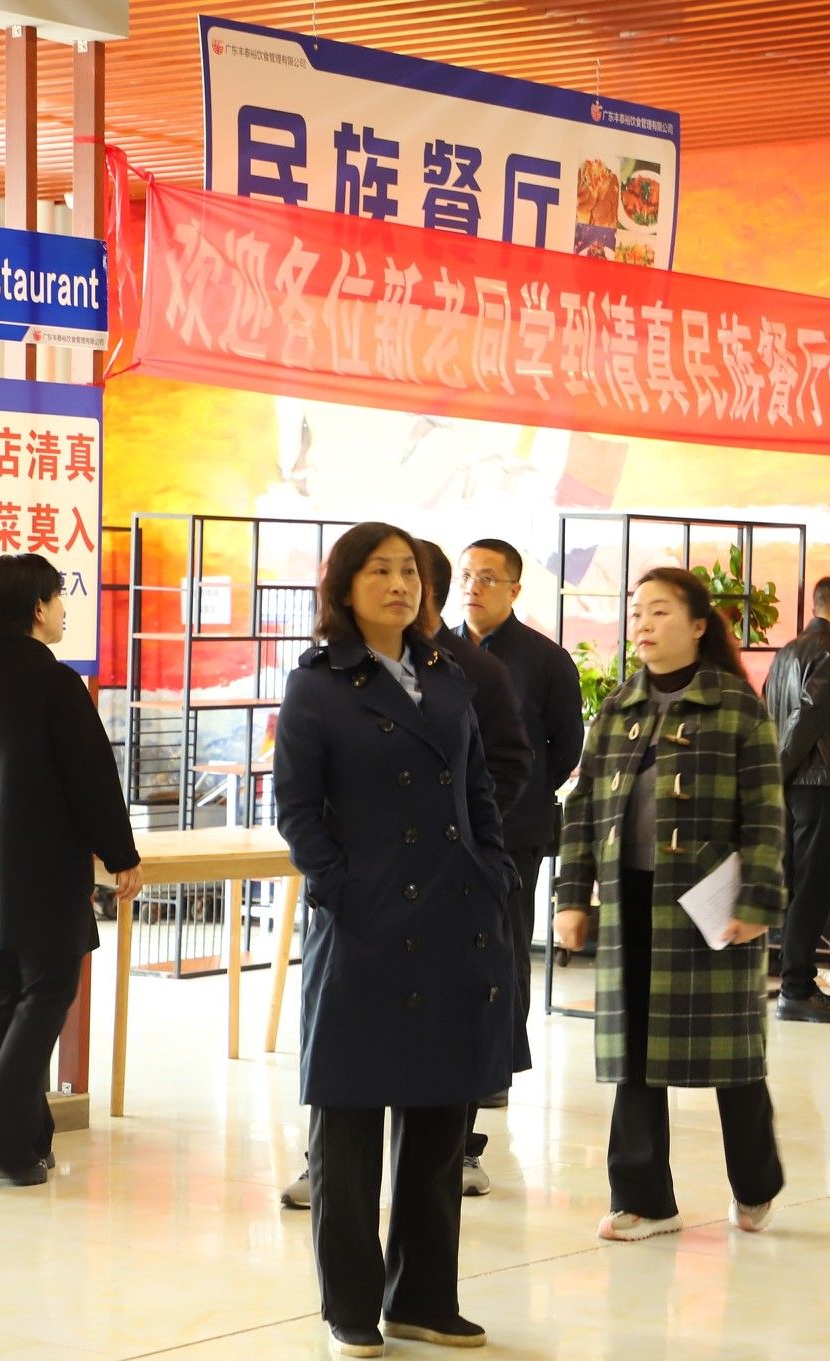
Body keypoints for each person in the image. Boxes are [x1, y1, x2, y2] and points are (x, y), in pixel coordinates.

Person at [273, 523, 529, 1358]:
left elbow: (479, 786)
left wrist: (493, 868)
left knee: (440, 1121)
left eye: (409, 571)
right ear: (344, 587)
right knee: (347, 1124)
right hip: (365, 922)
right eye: (379, 570)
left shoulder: (447, 675)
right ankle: (351, 1305)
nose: (399, 584)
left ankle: (423, 1298)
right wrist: (341, 888)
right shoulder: (316, 685)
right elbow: (296, 808)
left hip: (454, 915)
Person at [554, 567, 786, 1242]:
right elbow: (582, 810)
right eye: (637, 613)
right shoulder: (619, 708)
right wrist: (572, 897)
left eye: (659, 611)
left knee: (731, 1057)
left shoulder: (738, 707)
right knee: (633, 1052)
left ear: (698, 625)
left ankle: (756, 1183)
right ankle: (645, 1199)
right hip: (630, 901)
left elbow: (767, 814)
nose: (644, 624)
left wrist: (758, 899)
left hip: (710, 907)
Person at [0, 554, 142, 1186]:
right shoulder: (56, 685)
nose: (63, 610)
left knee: (8, 997)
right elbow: (92, 780)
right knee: (48, 993)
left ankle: (26, 1144)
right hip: (39, 878)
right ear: (37, 609)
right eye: (58, 598)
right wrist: (121, 855)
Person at [456, 538, 583, 1030]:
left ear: (514, 590)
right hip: (446, 827)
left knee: (505, 944)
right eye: (466, 576)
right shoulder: (435, 653)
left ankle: (502, 1056)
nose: (473, 587)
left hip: (514, 827)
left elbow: (566, 746)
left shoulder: (546, 660)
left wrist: (523, 792)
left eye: (487, 578)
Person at [763, 574, 830, 1024]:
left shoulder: (786, 652)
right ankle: (797, 990)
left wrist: (771, 775)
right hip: (814, 781)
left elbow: (770, 713)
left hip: (787, 785)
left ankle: (795, 981)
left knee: (795, 883)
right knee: (811, 886)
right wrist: (782, 768)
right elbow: (807, 716)